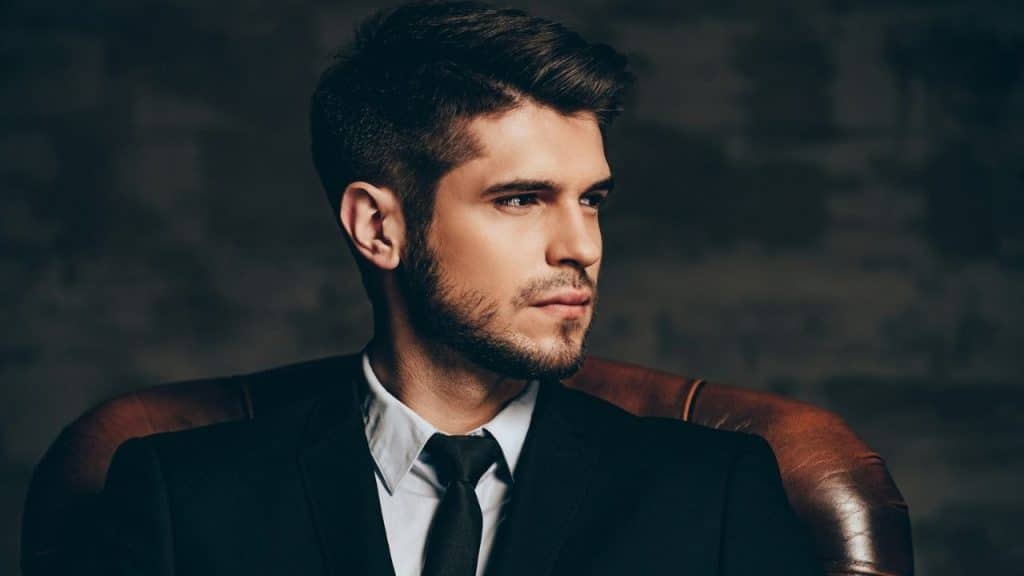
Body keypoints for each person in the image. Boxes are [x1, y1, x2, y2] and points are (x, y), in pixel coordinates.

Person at [100, 2, 822, 575]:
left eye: (592, 199)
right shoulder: (184, 499)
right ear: (378, 226)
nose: (581, 246)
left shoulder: (711, 494)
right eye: (520, 199)